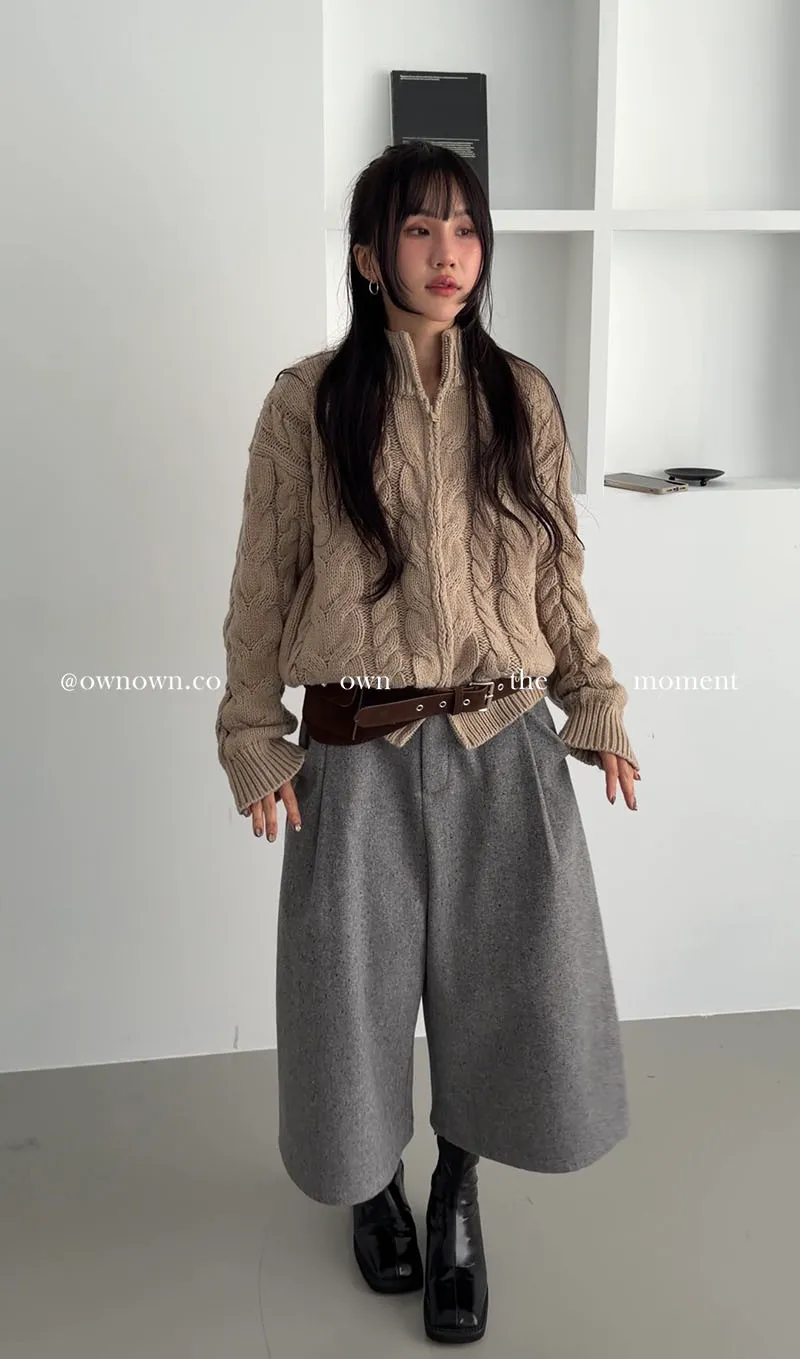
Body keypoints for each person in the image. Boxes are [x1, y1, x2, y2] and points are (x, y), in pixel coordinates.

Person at [215, 140, 641, 1345]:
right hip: (352, 752)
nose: (447, 252)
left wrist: (593, 702)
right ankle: (371, 1189)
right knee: (345, 996)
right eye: (417, 228)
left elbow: (555, 575)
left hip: (505, 744)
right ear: (368, 256)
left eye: (463, 228)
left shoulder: (523, 397)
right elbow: (261, 584)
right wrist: (251, 731)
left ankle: (457, 1187)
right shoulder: (306, 402)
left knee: (509, 984)